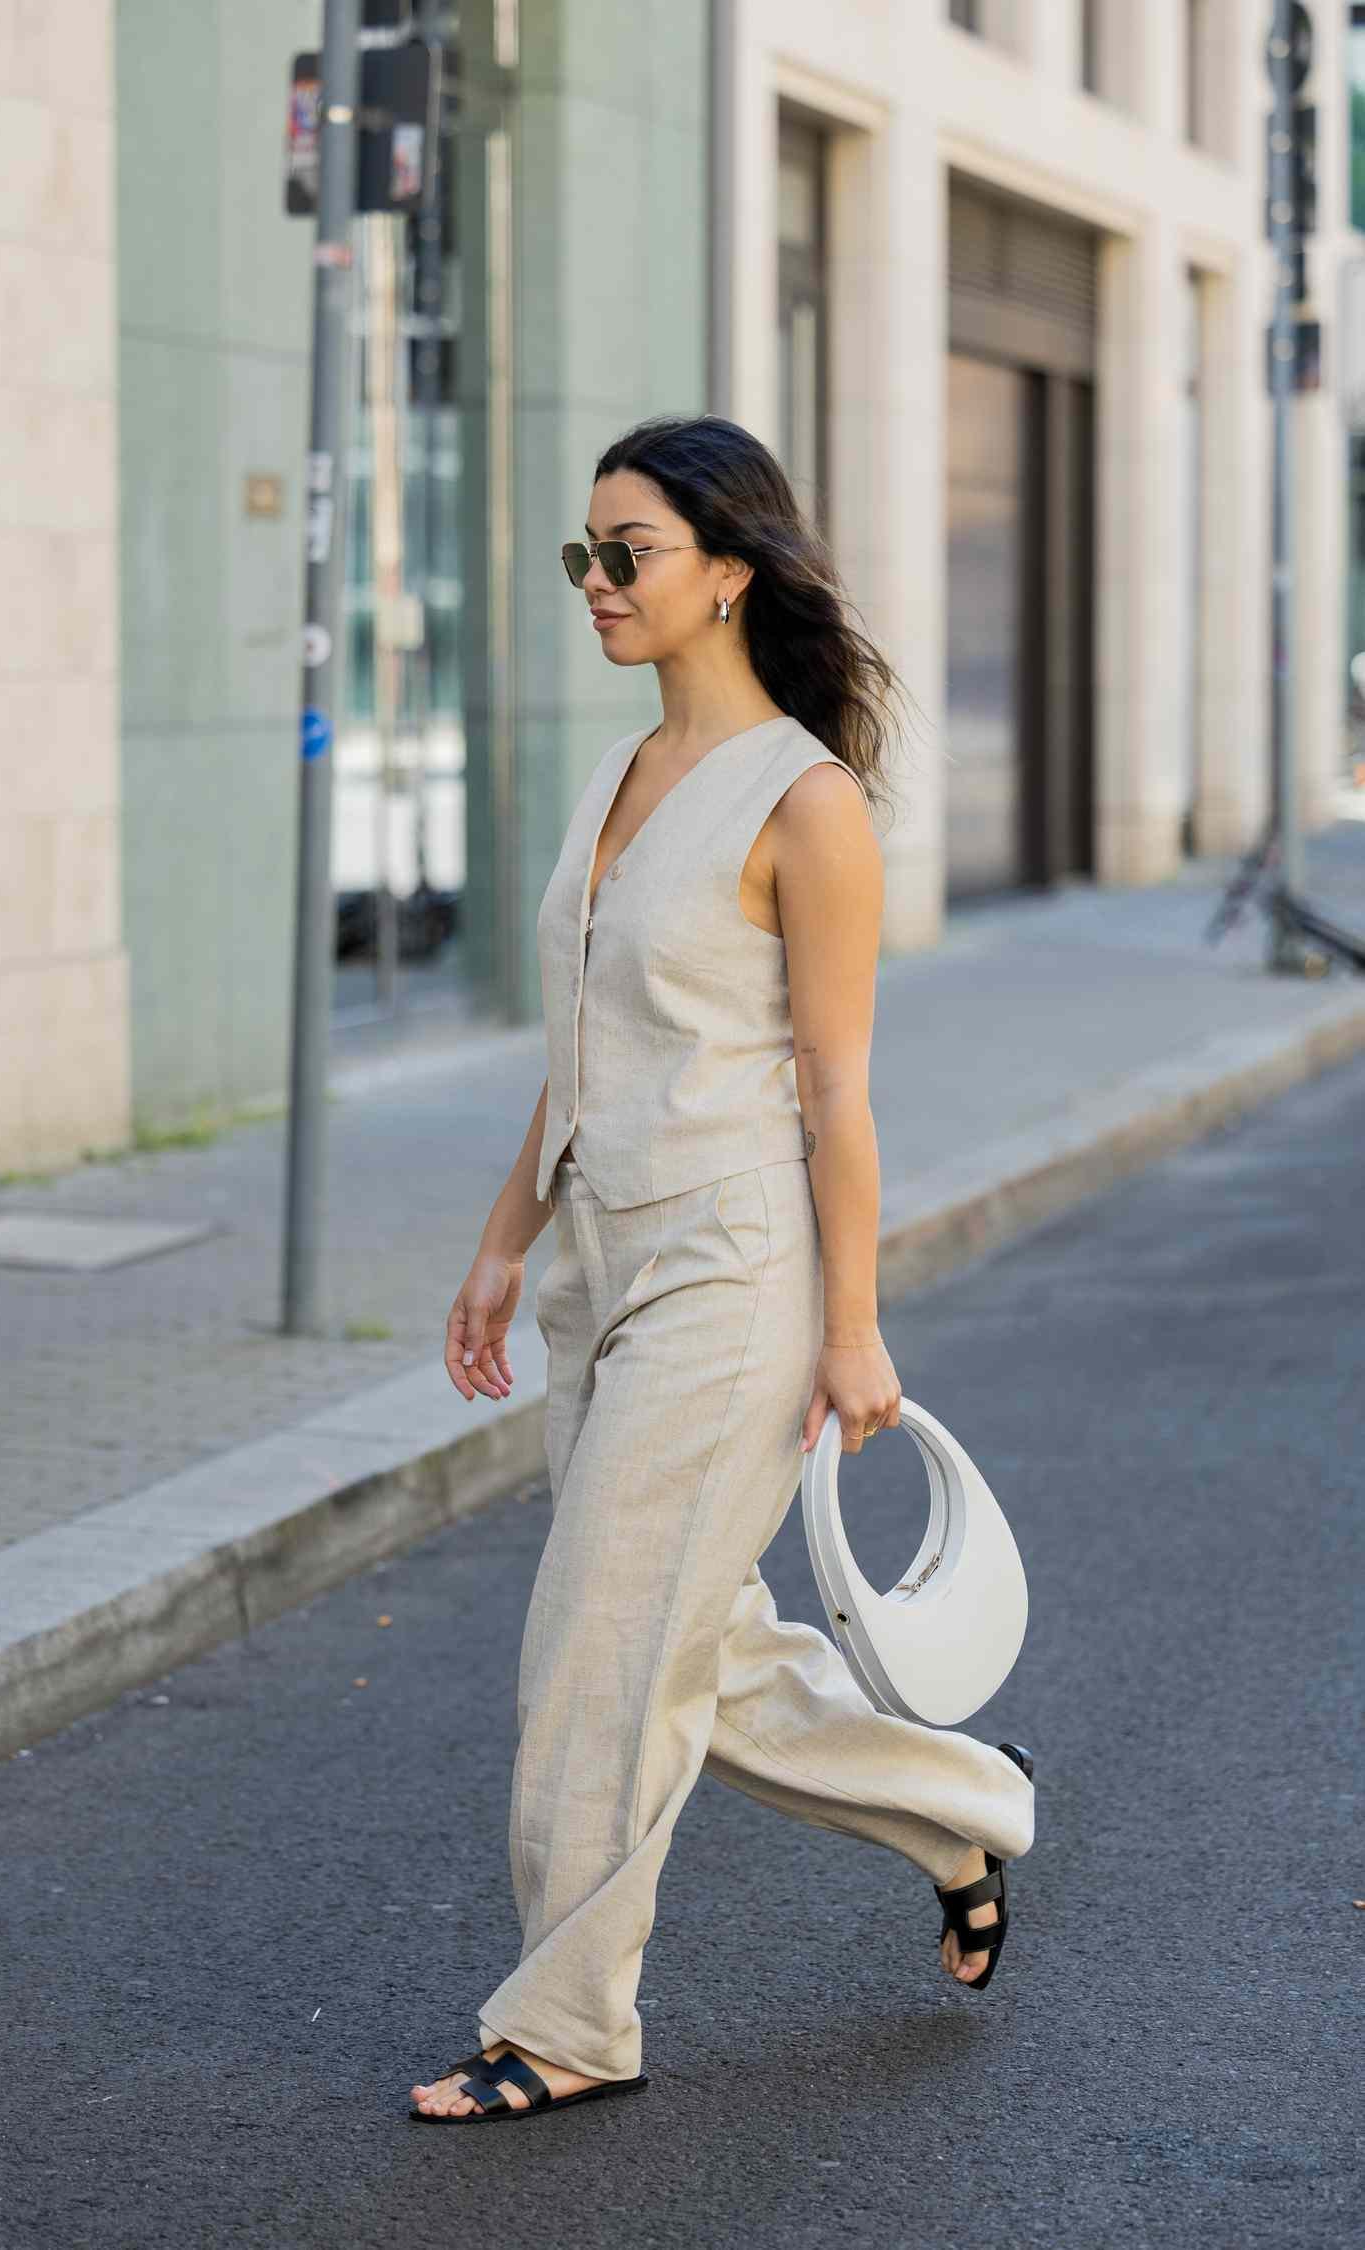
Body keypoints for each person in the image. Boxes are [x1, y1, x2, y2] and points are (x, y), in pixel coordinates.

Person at [408, 414, 1036, 2126]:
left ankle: (568, 2020)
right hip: (595, 1263)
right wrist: (499, 1240)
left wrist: (852, 1330)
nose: (598, 583)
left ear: (729, 574)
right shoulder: (618, 781)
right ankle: (964, 1806)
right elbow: (585, 1034)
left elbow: (838, 1094)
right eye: (585, 554)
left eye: (631, 553)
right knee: (700, 1649)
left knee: (600, 1648)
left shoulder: (806, 805)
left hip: (731, 1267)